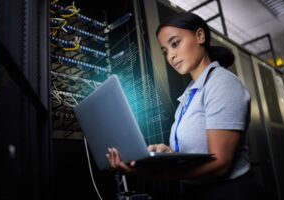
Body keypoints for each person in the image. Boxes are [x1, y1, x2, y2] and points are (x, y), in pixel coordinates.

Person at [106, 12, 266, 200]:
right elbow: (198, 152)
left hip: (230, 193)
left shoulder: (222, 84)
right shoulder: (190, 94)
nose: (171, 56)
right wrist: (169, 154)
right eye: (165, 51)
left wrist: (155, 174)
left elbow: (221, 164)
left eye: (175, 44)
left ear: (200, 36)